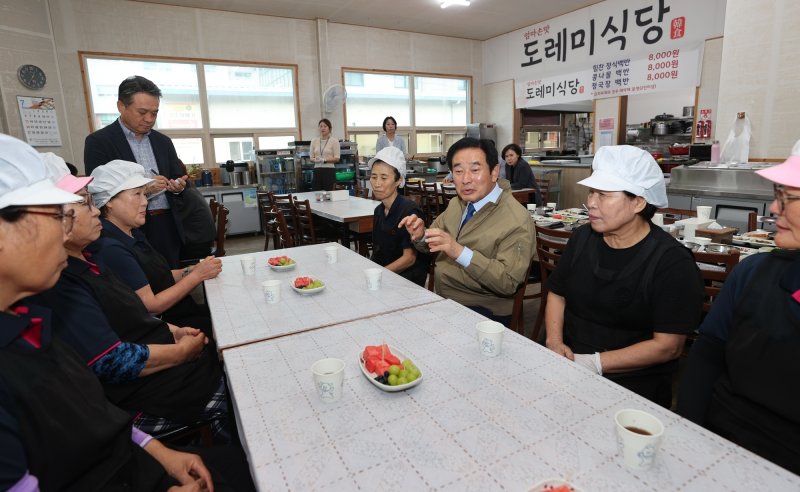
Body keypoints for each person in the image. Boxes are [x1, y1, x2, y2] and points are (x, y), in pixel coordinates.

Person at [0, 133, 216, 491]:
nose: (65, 230)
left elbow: (90, 410)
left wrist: (156, 450)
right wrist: (180, 351)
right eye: (57, 215)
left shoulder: (29, 319)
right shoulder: (56, 295)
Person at [33, 155, 226, 437]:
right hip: (146, 395)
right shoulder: (63, 282)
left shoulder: (90, 261)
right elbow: (112, 360)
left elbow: (132, 315)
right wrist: (182, 351)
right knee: (239, 385)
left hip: (163, 370)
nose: (95, 212)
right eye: (83, 203)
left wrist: (172, 330)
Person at [544, 145, 704, 407]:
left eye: (604, 195)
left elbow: (667, 346)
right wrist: (554, 342)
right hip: (568, 360)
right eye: (592, 192)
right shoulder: (582, 238)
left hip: (633, 382)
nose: (591, 202)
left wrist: (594, 363)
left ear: (638, 202)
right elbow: (557, 293)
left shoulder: (672, 263)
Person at [677, 140, 800, 474]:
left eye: (788, 197)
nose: (773, 208)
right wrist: (687, 437)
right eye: (777, 194)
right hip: (721, 435)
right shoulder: (753, 272)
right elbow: (707, 356)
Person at [399, 137, 534, 326]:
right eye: (458, 171)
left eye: (475, 170)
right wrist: (421, 235)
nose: (465, 179)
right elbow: (430, 244)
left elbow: (508, 282)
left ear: (494, 172)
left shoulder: (517, 219)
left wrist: (458, 251)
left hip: (483, 309)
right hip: (444, 297)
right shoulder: (457, 204)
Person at [86, 160, 222, 334]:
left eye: (144, 194)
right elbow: (151, 306)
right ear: (109, 201)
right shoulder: (111, 247)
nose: (145, 202)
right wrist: (197, 275)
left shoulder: (132, 231)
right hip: (166, 325)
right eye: (137, 194)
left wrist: (191, 269)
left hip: (180, 310)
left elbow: (159, 276)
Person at [84, 75, 187, 268]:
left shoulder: (163, 142)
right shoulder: (99, 141)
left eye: (154, 113)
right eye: (142, 112)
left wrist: (178, 186)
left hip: (166, 223)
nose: (149, 119)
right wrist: (146, 188)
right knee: (136, 278)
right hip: (125, 227)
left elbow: (176, 174)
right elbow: (98, 190)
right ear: (121, 106)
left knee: (170, 274)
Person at [368, 146, 429, 286]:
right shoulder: (378, 211)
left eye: (384, 178)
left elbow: (409, 258)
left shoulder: (409, 211)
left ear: (399, 180)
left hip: (406, 280)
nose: (377, 184)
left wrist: (379, 274)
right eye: (374, 177)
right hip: (384, 275)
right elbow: (377, 251)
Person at [177, 160, 216, 261]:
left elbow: (176, 220)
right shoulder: (189, 186)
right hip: (203, 240)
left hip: (198, 245)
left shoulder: (185, 193)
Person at [310, 118, 340, 191]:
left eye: (325, 126)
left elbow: (337, 158)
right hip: (317, 170)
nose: (322, 128)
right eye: (321, 126)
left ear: (329, 128)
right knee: (317, 193)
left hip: (329, 171)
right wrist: (316, 160)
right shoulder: (314, 141)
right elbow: (311, 158)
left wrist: (324, 160)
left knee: (329, 194)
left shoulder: (334, 141)